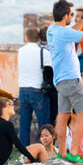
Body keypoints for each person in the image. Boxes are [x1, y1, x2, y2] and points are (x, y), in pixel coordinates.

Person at [47, 0, 83, 161]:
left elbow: (73, 31)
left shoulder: (52, 30)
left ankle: (62, 152)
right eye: (71, 15)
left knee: (63, 115)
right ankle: (74, 153)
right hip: (72, 79)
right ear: (65, 16)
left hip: (59, 80)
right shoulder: (63, 32)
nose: (72, 17)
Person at [17, 26, 53, 157]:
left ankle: (24, 154)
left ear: (26, 38)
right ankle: (41, 152)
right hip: (38, 91)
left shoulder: (20, 51)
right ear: (38, 38)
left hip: (23, 90)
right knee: (44, 125)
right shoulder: (44, 53)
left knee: (24, 125)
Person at [0, 97, 50, 165]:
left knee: (32, 148)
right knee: (39, 146)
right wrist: (34, 160)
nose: (12, 106)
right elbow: (18, 145)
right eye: (9, 104)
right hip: (6, 164)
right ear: (3, 109)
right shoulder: (6, 124)